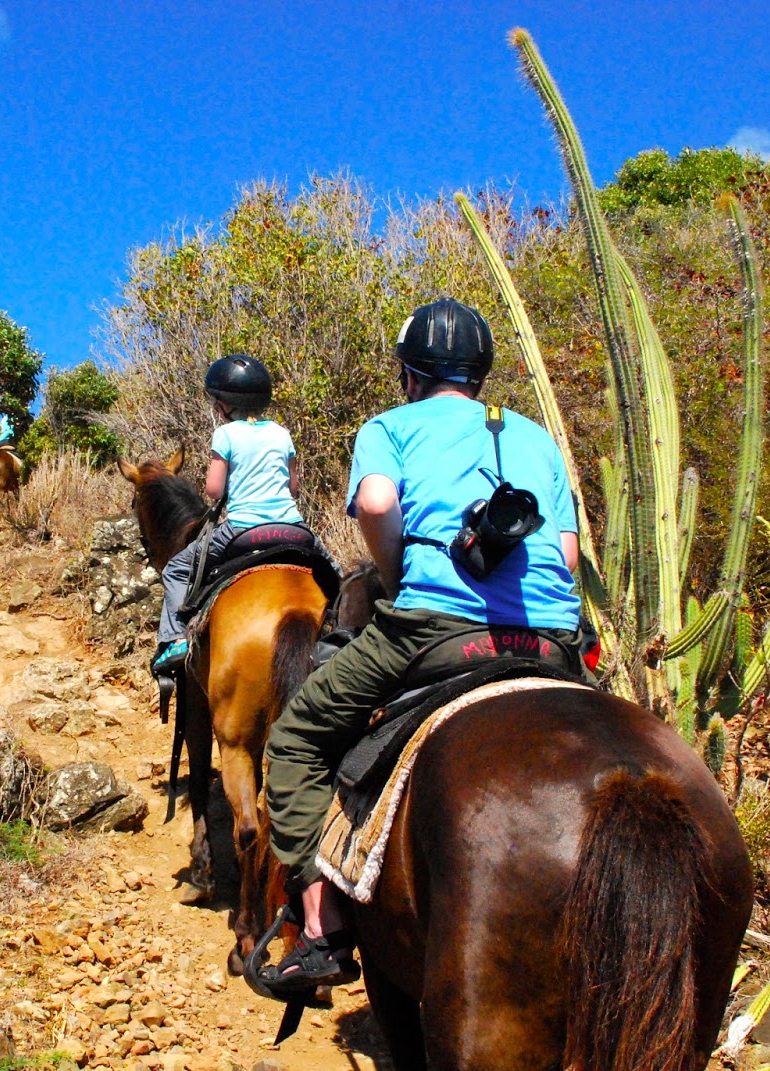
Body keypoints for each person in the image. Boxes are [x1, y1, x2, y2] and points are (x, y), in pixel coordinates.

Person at [257, 299, 582, 995]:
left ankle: (322, 927)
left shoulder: (389, 427)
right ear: (481, 371)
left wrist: (399, 571)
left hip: (435, 627)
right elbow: (567, 554)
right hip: (553, 636)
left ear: (408, 373)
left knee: (295, 737)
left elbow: (375, 504)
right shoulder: (535, 436)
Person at [151, 354, 310, 672]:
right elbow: (293, 489)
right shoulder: (281, 433)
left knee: (177, 570)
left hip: (242, 530)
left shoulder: (225, 435)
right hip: (294, 529)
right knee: (335, 573)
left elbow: (214, 490)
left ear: (224, 403)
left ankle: (175, 641)